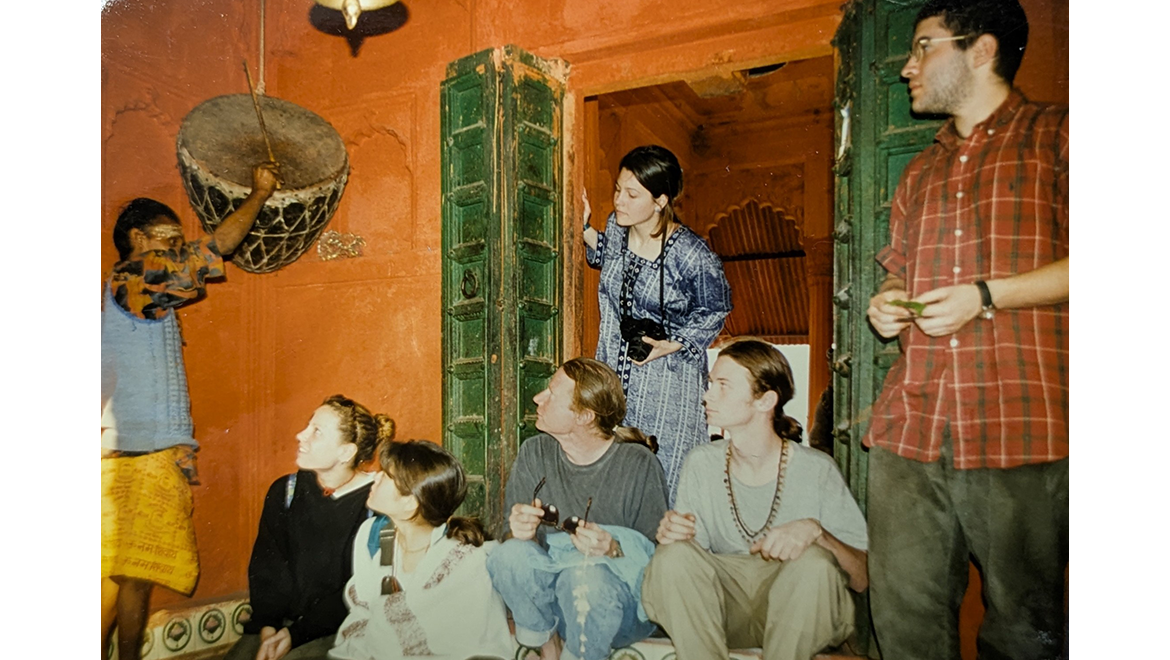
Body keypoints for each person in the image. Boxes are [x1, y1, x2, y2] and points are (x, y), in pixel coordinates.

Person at [863, 1, 1068, 658]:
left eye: (923, 47)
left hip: (1020, 420)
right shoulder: (919, 173)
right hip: (911, 424)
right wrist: (890, 302)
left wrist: (987, 295)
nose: (906, 66)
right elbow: (901, 275)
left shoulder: (1060, 135)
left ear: (980, 50)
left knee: (1023, 632)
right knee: (903, 624)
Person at [101, 162, 280, 660]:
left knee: (119, 580)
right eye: (169, 238)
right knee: (131, 578)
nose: (178, 248)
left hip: (132, 455)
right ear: (137, 239)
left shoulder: (139, 291)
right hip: (138, 458)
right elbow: (218, 245)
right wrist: (260, 192)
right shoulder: (133, 277)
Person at [643, 338, 868, 660]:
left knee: (815, 564)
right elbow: (688, 564)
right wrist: (674, 536)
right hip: (724, 612)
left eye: (723, 385)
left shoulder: (817, 468)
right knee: (672, 557)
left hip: (798, 614)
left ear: (765, 401)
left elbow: (861, 578)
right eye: (710, 384)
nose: (707, 395)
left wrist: (818, 532)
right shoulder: (702, 462)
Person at [487, 358, 668, 660]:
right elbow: (514, 548)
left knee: (584, 577)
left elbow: (659, 554)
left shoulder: (637, 463)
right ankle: (545, 643)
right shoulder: (535, 452)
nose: (538, 398)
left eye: (551, 393)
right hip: (554, 599)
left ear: (584, 415)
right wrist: (520, 532)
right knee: (507, 555)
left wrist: (613, 548)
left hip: (616, 604)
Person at [583, 145, 732, 505]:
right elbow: (608, 257)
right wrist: (584, 228)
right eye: (618, 189)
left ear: (661, 200)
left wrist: (672, 343)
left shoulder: (691, 253)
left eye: (632, 194)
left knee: (665, 477)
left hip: (669, 384)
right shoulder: (617, 230)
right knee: (616, 477)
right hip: (615, 377)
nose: (620, 200)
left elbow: (717, 308)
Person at [224, 395, 393, 660]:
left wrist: (295, 636)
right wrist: (269, 628)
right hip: (280, 625)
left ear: (346, 452)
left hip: (341, 628)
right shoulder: (286, 491)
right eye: (307, 425)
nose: (300, 435)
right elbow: (268, 566)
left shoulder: (376, 502)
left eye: (317, 432)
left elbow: (360, 589)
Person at [328, 440, 514, 660]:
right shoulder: (373, 537)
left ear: (410, 504)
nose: (375, 478)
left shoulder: (463, 561)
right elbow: (363, 612)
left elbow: (476, 647)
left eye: (386, 476)